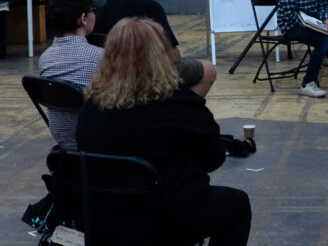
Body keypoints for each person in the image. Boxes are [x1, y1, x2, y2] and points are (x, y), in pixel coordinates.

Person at [77, 18, 251, 245]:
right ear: (161, 55)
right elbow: (213, 159)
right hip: (166, 217)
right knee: (237, 205)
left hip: (103, 216)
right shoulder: (180, 102)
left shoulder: (92, 104)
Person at [94, 0, 217, 96]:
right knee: (208, 70)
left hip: (108, 68)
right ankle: (183, 111)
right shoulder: (150, 8)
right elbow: (173, 56)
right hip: (143, 72)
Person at [38, 0, 105, 151]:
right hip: (99, 144)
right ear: (83, 18)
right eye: (93, 10)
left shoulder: (45, 58)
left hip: (65, 146)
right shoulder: (101, 57)